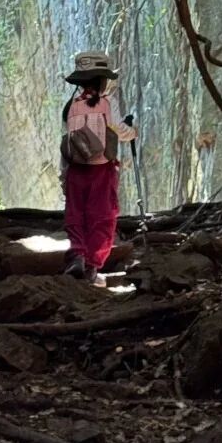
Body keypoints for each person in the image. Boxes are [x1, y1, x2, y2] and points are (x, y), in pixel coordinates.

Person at [60, 51, 136, 286]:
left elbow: (67, 142)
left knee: (77, 214)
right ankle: (92, 267)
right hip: (101, 171)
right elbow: (118, 132)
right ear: (103, 80)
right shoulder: (105, 104)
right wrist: (132, 130)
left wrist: (63, 176)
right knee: (102, 217)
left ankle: (77, 256)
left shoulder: (70, 107)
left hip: (75, 170)